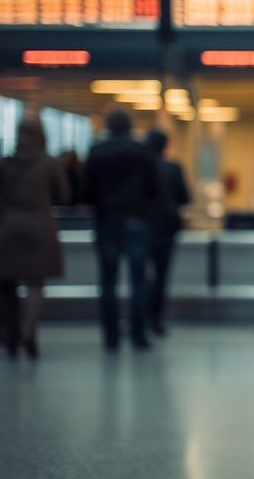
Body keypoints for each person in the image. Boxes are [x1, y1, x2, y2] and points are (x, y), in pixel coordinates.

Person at [0, 119, 67, 358]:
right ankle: (30, 329)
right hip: (40, 227)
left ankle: (11, 336)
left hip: (7, 228)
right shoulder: (49, 164)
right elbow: (64, 194)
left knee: (6, 284)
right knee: (35, 284)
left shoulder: (3, 164)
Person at [81, 109, 157, 350]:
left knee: (107, 280)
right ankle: (138, 335)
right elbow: (153, 187)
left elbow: (84, 191)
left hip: (106, 221)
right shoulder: (141, 151)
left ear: (109, 127)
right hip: (136, 220)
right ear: (128, 126)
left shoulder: (96, 153)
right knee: (138, 280)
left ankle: (111, 337)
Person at [145, 129, 190, 337]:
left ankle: (140, 318)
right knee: (161, 275)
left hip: (143, 227)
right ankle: (156, 318)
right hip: (166, 228)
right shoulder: (173, 168)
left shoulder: (141, 168)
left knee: (141, 275)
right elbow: (185, 197)